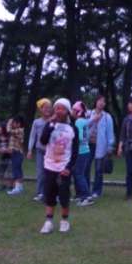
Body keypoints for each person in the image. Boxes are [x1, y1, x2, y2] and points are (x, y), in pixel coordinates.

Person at [39, 98, 79, 234]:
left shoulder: (73, 128)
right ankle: (48, 222)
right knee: (49, 194)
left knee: (64, 195)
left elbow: (75, 151)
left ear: (67, 111)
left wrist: (68, 167)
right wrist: (51, 124)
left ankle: (64, 221)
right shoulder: (50, 124)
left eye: (62, 108)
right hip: (49, 165)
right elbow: (43, 140)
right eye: (57, 108)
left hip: (64, 167)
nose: (58, 111)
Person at [27, 98, 52, 202]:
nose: (47, 109)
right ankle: (40, 193)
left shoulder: (53, 121)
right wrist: (29, 150)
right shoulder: (36, 122)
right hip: (40, 151)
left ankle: (50, 193)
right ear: (40, 109)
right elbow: (32, 136)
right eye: (45, 107)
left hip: (51, 152)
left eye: (49, 107)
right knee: (40, 173)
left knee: (50, 173)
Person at [72, 101, 94, 206]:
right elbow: (87, 136)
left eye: (74, 110)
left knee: (79, 174)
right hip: (86, 150)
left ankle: (86, 196)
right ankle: (82, 196)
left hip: (80, 151)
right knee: (81, 174)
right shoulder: (85, 121)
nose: (72, 112)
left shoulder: (78, 122)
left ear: (78, 112)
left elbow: (79, 137)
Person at [92, 98, 115, 198]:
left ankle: (97, 191)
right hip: (88, 145)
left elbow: (110, 132)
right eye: (99, 101)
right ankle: (84, 189)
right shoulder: (89, 113)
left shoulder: (107, 117)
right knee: (85, 168)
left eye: (103, 101)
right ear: (96, 102)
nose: (101, 103)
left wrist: (110, 146)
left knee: (98, 170)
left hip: (101, 146)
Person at [7, 115, 25, 196]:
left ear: (18, 123)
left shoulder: (19, 130)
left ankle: (17, 188)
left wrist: (8, 123)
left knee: (16, 170)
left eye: (14, 123)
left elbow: (8, 131)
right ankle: (19, 187)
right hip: (15, 152)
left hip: (17, 152)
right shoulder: (17, 130)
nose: (12, 124)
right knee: (17, 169)